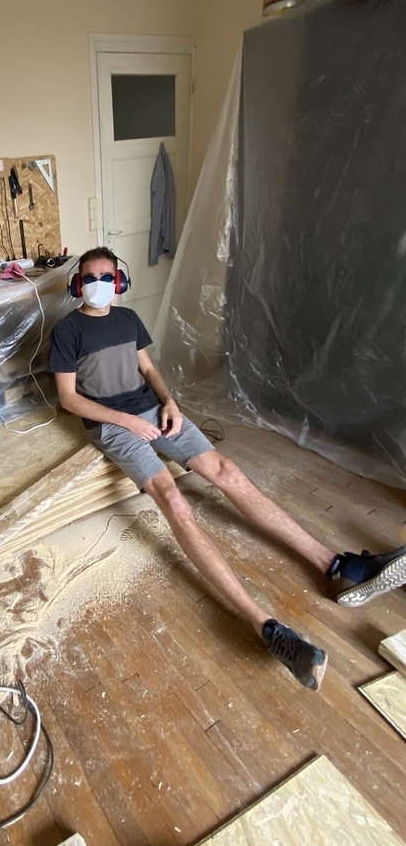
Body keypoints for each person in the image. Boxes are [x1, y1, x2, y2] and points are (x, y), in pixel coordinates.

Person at [48, 247, 406, 691]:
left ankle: (337, 566)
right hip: (112, 424)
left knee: (229, 472)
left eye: (107, 277)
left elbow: (148, 367)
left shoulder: (128, 319)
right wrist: (126, 422)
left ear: (119, 282)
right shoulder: (68, 330)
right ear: (77, 284)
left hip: (153, 410)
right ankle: (266, 627)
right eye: (89, 278)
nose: (99, 284)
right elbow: (69, 399)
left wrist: (170, 402)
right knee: (175, 500)